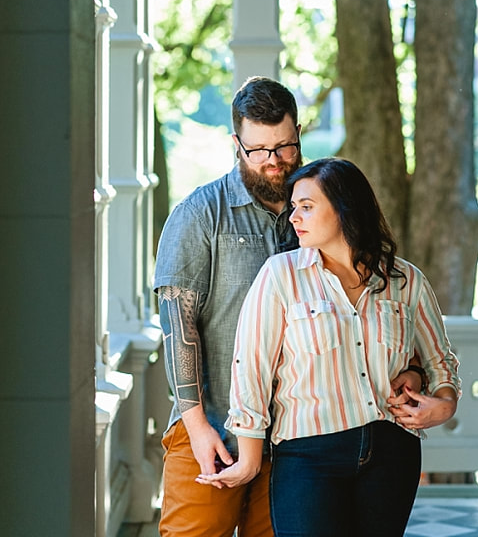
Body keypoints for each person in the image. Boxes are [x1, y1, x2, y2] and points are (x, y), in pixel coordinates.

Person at [155, 77, 423, 536]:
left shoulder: (323, 207)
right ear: (235, 142)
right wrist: (198, 426)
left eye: (284, 146)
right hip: (213, 426)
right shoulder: (200, 214)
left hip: (297, 443)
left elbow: (371, 306)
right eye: (258, 149)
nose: (273, 161)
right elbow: (179, 328)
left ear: (298, 133)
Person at [197, 157, 461, 537]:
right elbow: (252, 368)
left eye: (306, 207)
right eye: (293, 208)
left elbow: (440, 359)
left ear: (344, 208)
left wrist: (445, 404)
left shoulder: (405, 280)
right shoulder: (281, 276)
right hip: (308, 458)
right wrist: (250, 458)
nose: (293, 218)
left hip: (391, 452)